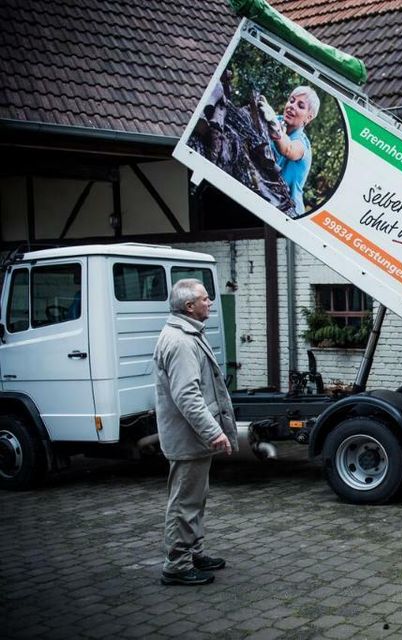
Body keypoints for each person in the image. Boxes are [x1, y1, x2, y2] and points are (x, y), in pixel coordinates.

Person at [154, 278, 238, 586]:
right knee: (184, 502)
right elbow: (187, 396)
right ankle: (176, 565)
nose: (210, 302)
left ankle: (194, 552)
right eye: (205, 299)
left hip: (193, 437)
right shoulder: (180, 342)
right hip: (188, 438)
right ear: (190, 306)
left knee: (196, 499)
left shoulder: (187, 333)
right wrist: (213, 431)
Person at [258, 86, 320, 215]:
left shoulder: (303, 145)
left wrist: (274, 125)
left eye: (300, 106)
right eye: (291, 101)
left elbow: (288, 149)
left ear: (308, 117)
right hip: (265, 193)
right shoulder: (277, 120)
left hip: (289, 212)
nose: (292, 106)